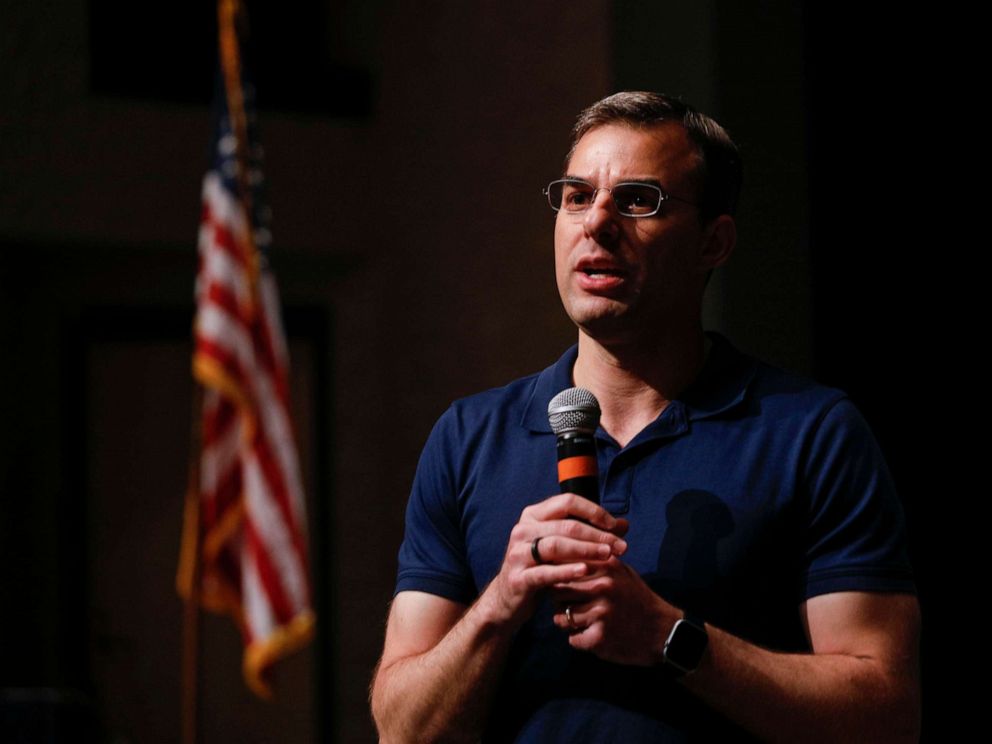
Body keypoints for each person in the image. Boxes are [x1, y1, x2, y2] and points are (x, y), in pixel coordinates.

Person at [370, 91, 920, 742]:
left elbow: (885, 714)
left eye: (637, 200)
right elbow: (402, 729)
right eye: (577, 196)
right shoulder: (468, 438)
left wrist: (671, 637)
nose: (596, 223)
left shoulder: (812, 432)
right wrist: (502, 601)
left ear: (713, 241)